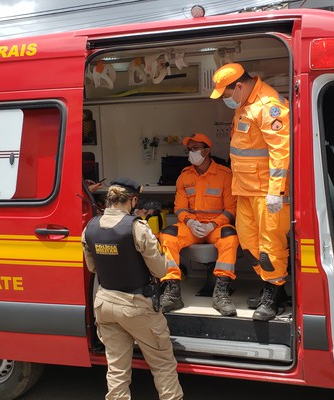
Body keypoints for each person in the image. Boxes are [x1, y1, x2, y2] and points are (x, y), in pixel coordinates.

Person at [82, 178, 183, 400]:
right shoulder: (137, 227)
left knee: (117, 371)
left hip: (105, 304)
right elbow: (158, 270)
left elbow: (92, 266)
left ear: (109, 199)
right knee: (163, 365)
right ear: (133, 200)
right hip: (136, 306)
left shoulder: (90, 227)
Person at [210, 63, 290, 321]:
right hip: (244, 191)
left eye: (226, 94)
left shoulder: (268, 106)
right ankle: (274, 287)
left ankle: (273, 296)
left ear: (240, 87)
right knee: (249, 245)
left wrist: (276, 192)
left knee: (269, 247)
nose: (225, 99)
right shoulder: (245, 106)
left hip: (266, 193)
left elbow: (281, 151)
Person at [159, 133, 239, 317]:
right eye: (189, 149)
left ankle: (221, 293)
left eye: (196, 148)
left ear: (207, 150)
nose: (191, 153)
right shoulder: (184, 177)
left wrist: (212, 225)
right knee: (168, 235)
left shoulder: (225, 175)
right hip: (192, 227)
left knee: (230, 237)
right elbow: (179, 208)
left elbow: (231, 210)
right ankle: (172, 292)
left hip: (216, 227)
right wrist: (189, 221)